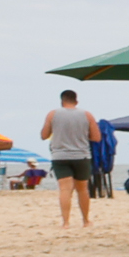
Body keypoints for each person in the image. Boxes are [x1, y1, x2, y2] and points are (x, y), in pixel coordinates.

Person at [42, 90, 97, 227]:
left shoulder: (53, 114)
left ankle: (65, 222)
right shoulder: (87, 115)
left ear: (62, 101)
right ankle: (85, 220)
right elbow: (96, 137)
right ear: (76, 101)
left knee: (65, 189)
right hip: (81, 155)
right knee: (82, 189)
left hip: (60, 156)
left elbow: (44, 135)